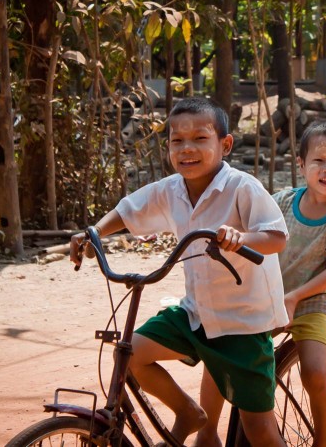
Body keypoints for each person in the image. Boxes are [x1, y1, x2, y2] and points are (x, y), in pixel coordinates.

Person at [70, 97, 289, 447]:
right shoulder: (171, 189)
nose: (187, 149)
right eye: (177, 140)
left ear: (225, 144)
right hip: (196, 313)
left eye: (200, 139)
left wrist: (241, 237)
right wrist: (92, 232)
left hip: (243, 321)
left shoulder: (242, 187)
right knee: (129, 353)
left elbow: (276, 236)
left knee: (259, 430)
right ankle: (189, 412)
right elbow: (129, 212)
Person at [195, 121, 326, 447]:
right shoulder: (281, 202)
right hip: (269, 295)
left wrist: (294, 298)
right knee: (221, 350)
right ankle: (207, 432)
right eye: (319, 161)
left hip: (314, 303)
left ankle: (323, 443)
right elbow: (249, 226)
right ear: (301, 164)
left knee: (314, 373)